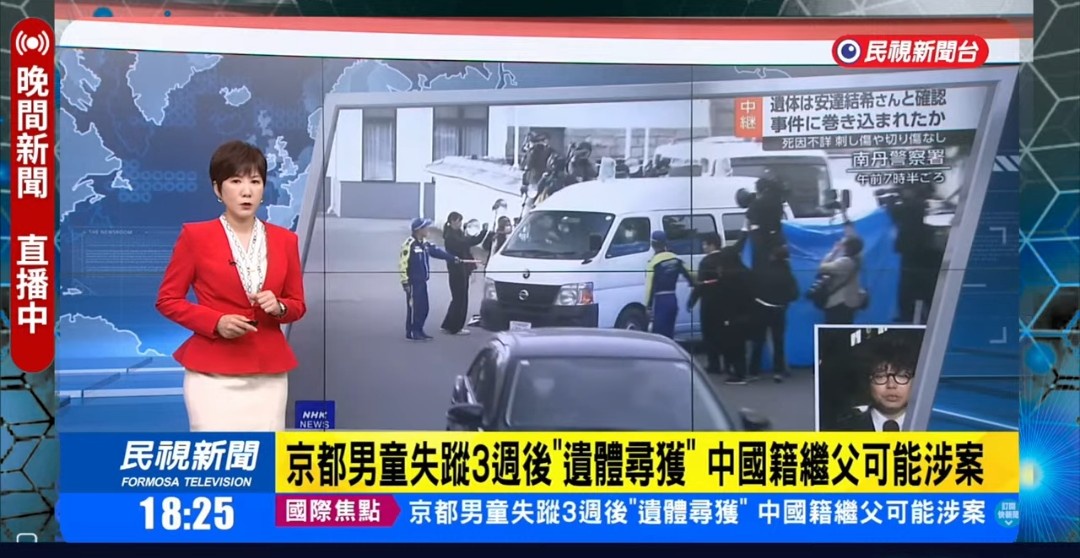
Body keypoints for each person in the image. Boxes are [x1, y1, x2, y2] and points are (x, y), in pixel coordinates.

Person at [156, 140, 307, 432]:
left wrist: (279, 306)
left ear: (263, 188)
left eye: (255, 181)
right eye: (236, 181)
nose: (246, 191)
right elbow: (168, 300)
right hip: (211, 374)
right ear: (217, 189)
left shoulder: (286, 241)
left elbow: (297, 305)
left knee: (265, 453)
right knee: (215, 453)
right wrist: (216, 322)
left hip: (268, 373)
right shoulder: (195, 237)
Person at [689, 235, 754, 385]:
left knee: (712, 335)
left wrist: (692, 300)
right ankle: (730, 367)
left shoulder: (708, 263)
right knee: (731, 339)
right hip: (737, 311)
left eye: (705, 244)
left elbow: (701, 285)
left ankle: (719, 366)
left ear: (712, 245)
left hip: (714, 306)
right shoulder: (741, 269)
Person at [833, 333, 918, 431]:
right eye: (880, 376)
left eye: (902, 376)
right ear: (867, 382)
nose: (891, 385)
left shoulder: (931, 428)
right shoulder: (842, 431)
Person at [400, 218, 460, 341]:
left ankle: (419, 329)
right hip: (413, 283)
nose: (428, 229)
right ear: (418, 230)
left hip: (422, 281)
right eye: (425, 227)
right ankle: (412, 332)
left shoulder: (425, 244)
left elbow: (437, 252)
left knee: (424, 308)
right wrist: (405, 282)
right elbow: (402, 264)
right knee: (415, 308)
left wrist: (452, 258)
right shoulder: (409, 244)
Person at [748, 244, 800, 383]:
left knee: (758, 341)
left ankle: (754, 371)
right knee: (778, 342)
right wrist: (783, 300)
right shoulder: (788, 275)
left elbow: (753, 289)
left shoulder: (762, 272)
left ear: (772, 257)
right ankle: (778, 371)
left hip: (761, 308)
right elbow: (795, 294)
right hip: (779, 310)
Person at [441, 212, 487, 335]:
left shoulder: (457, 233)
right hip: (457, 270)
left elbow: (469, 241)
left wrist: (483, 233)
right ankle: (456, 327)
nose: (460, 223)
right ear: (452, 221)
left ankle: (448, 324)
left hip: (460, 269)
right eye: (458, 221)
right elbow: (466, 242)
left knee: (457, 298)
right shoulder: (451, 237)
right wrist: (482, 233)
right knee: (461, 299)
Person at [644, 231, 693, 339]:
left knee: (659, 337)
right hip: (672, 299)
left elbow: (649, 287)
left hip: (661, 301)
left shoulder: (653, 263)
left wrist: (648, 306)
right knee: (670, 335)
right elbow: (692, 275)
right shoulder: (676, 259)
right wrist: (693, 288)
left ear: (652, 244)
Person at [817, 219, 866, 325]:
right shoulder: (858, 259)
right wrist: (849, 227)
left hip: (839, 302)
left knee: (834, 329)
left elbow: (822, 267)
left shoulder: (844, 262)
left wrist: (834, 251)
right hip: (851, 301)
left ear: (847, 248)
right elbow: (854, 240)